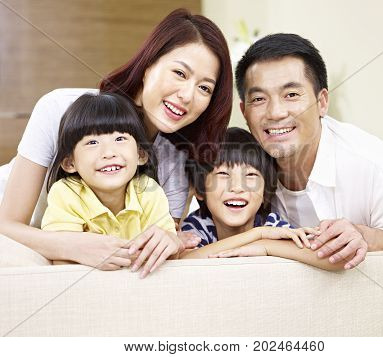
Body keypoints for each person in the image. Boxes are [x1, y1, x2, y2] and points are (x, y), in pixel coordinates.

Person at [0, 9, 232, 275]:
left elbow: (160, 237)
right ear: (148, 66)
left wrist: (169, 239)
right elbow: (7, 226)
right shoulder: (60, 107)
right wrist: (74, 245)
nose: (187, 95)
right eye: (179, 73)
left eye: (205, 88)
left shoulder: (177, 156)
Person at [234, 33, 383, 269]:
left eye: (291, 95)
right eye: (258, 99)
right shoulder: (234, 164)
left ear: (322, 102)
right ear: (244, 111)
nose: (276, 112)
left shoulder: (377, 164)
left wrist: (365, 236)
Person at [41, 92, 178, 274]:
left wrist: (169, 241)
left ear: (140, 155)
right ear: (70, 163)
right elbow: (63, 262)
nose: (109, 153)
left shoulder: (148, 190)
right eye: (92, 142)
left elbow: (166, 255)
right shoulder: (66, 193)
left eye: (120, 139)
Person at [179, 128, 342, 271]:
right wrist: (258, 234)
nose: (237, 187)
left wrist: (265, 246)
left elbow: (329, 259)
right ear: (200, 190)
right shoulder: (198, 225)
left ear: (265, 193)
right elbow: (183, 263)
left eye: (250, 175)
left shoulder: (271, 224)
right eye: (223, 174)